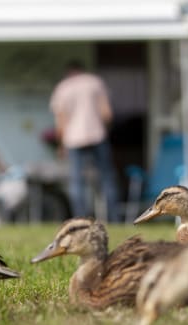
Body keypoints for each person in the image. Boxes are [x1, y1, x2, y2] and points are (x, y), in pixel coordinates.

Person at [50, 60, 120, 222]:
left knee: (77, 181)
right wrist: (104, 130)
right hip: (97, 135)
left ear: (69, 72)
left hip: (73, 139)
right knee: (107, 178)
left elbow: (61, 119)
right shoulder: (95, 82)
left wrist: (61, 144)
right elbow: (107, 114)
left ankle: (81, 219)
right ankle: (114, 218)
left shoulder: (63, 87)